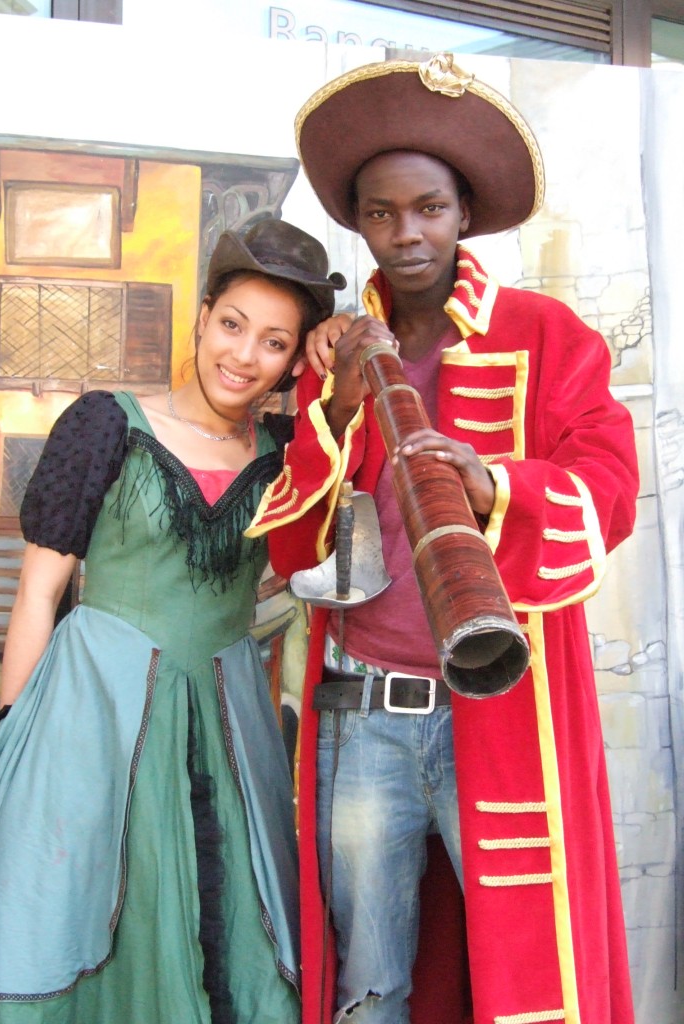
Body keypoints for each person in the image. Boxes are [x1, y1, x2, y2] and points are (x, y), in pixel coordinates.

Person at [246, 56, 639, 1024]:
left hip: (503, 709)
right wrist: (337, 413)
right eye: (382, 213)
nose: (407, 233)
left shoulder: (547, 333)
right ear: (360, 223)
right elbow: (295, 557)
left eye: (429, 208)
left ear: (464, 213)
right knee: (370, 986)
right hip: (364, 715)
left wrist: (497, 483)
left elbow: (612, 490)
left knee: (531, 981)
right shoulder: (338, 353)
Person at [0, 218, 345, 1024]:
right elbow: (40, 594)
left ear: (295, 360)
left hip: (227, 723)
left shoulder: (292, 452)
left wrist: (340, 351)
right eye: (231, 325)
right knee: (63, 908)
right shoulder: (106, 424)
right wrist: (13, 737)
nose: (242, 355)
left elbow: (333, 513)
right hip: (91, 716)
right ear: (202, 318)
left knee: (239, 935)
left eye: (274, 342)